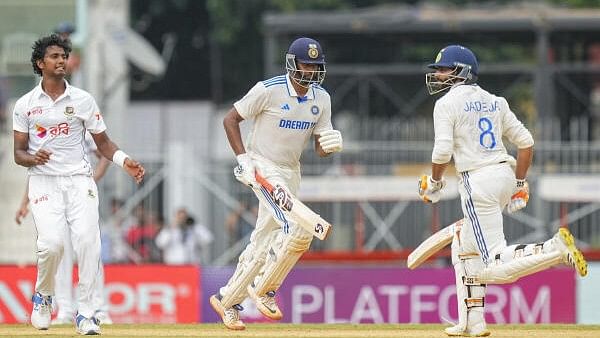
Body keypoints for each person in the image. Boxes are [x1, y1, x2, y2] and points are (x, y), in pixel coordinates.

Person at [419, 45, 588, 337]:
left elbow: (443, 150)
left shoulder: (446, 104)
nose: (438, 75)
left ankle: (553, 250)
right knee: (463, 247)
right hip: (504, 175)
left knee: (492, 265)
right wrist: (520, 184)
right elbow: (526, 143)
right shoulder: (496, 101)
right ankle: (473, 322)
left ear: (462, 71)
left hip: (478, 183)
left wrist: (433, 184)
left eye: (444, 69)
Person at [12, 34, 144, 335]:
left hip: (78, 181)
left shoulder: (83, 100)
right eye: (55, 56)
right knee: (52, 245)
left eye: (64, 56)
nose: (61, 61)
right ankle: (44, 296)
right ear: (39, 63)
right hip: (43, 183)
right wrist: (34, 157)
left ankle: (86, 314)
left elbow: (104, 143)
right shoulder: (25, 105)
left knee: (88, 243)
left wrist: (125, 162)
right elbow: (18, 154)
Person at [209, 36, 343, 330]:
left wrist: (329, 145)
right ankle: (266, 289)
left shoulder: (322, 98)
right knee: (297, 226)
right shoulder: (268, 90)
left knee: (264, 238)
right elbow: (230, 119)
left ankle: (227, 299)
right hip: (261, 166)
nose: (310, 71)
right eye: (306, 65)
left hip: (291, 170)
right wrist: (244, 159)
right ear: (292, 64)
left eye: (315, 66)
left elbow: (320, 146)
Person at [15, 132, 112, 325]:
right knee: (59, 254)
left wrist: (90, 182)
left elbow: (105, 156)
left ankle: (98, 308)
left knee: (89, 249)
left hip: (79, 198)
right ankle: (65, 310)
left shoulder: (82, 127)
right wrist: (24, 202)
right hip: (54, 198)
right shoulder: (45, 132)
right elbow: (37, 170)